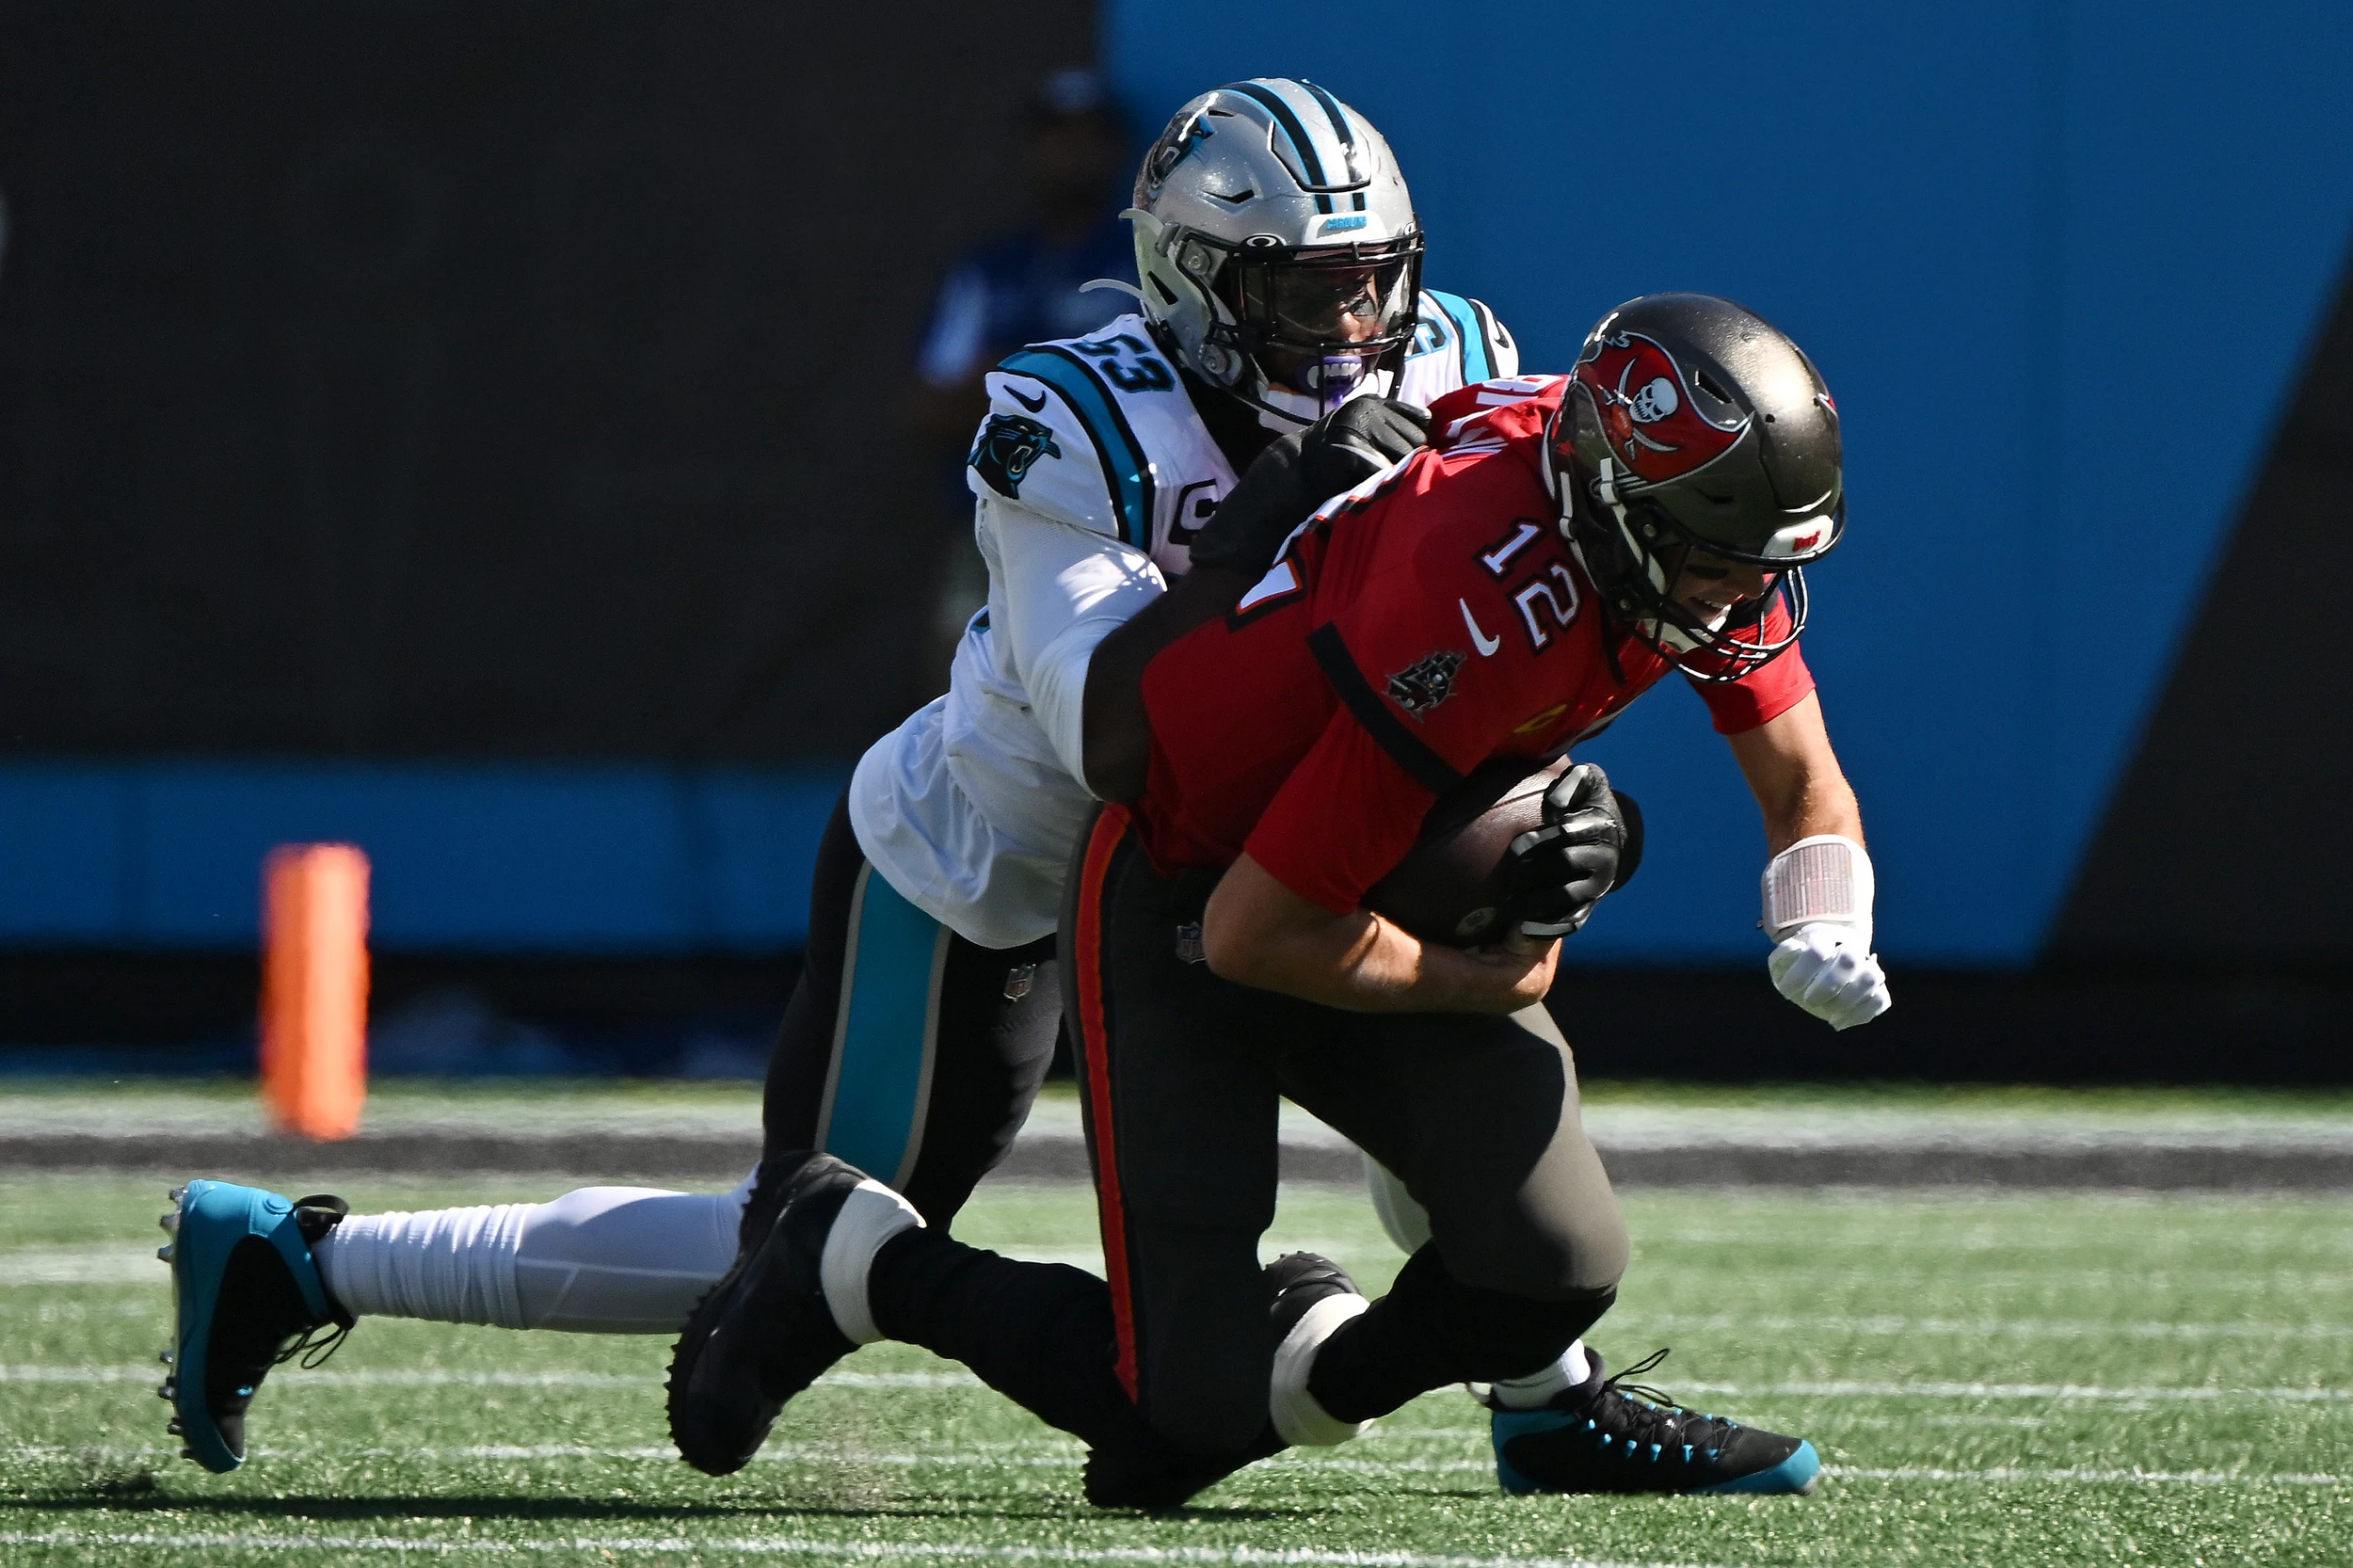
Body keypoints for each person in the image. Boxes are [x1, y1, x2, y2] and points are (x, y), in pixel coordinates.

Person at [153, 77, 1529, 1478]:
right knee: (808, 1229)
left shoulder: (1458, 363)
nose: (1355, 333)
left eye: (1376, 284)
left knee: (1454, 1035)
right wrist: (1277, 515)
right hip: (999, 863)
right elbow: (1118, 738)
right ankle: (304, 1262)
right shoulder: (1077, 419)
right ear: (1192, 282)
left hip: (1229, 867)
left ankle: (1546, 1382)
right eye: (1305, 293)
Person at [665, 294, 1891, 1510]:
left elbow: (1805, 785)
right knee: (1175, 1422)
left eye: (1760, 565)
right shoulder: (1471, 606)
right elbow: (1260, 927)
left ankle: (1341, 1371)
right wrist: (1491, 968)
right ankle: (854, 1258)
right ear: (1617, 509)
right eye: (1720, 565)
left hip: (1350, 867)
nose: (1740, 600)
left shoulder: (1671, 522)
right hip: (1188, 897)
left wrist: (1815, 917)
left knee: (1553, 1264)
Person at [908, 68, 1140, 664]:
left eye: (1088, 138)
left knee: (1094, 670)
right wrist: (1059, 378)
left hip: (1116, 519)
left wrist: (1014, 379)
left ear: (1115, 150)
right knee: (958, 667)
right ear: (1032, 149)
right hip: (991, 515)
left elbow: (1161, 393)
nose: (1072, 155)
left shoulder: (1143, 264)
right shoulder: (991, 269)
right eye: (1056, 137)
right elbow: (929, 406)